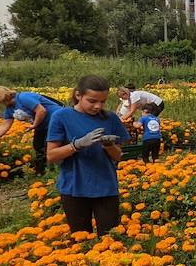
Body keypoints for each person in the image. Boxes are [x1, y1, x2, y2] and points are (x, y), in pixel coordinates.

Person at [45, 76, 131, 236]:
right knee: (80, 239)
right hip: (74, 187)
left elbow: (118, 156)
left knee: (110, 239)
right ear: (78, 95)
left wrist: (108, 145)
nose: (98, 106)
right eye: (92, 101)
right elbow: (51, 156)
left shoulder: (110, 118)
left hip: (105, 187)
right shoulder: (61, 117)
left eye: (102, 101)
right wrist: (76, 145)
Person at [0, 86, 65, 174]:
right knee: (38, 146)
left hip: (57, 120)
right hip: (42, 125)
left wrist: (34, 124)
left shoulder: (23, 97)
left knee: (50, 145)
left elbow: (41, 110)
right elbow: (5, 125)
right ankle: (43, 171)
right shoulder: (9, 109)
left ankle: (56, 169)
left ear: (3, 96)